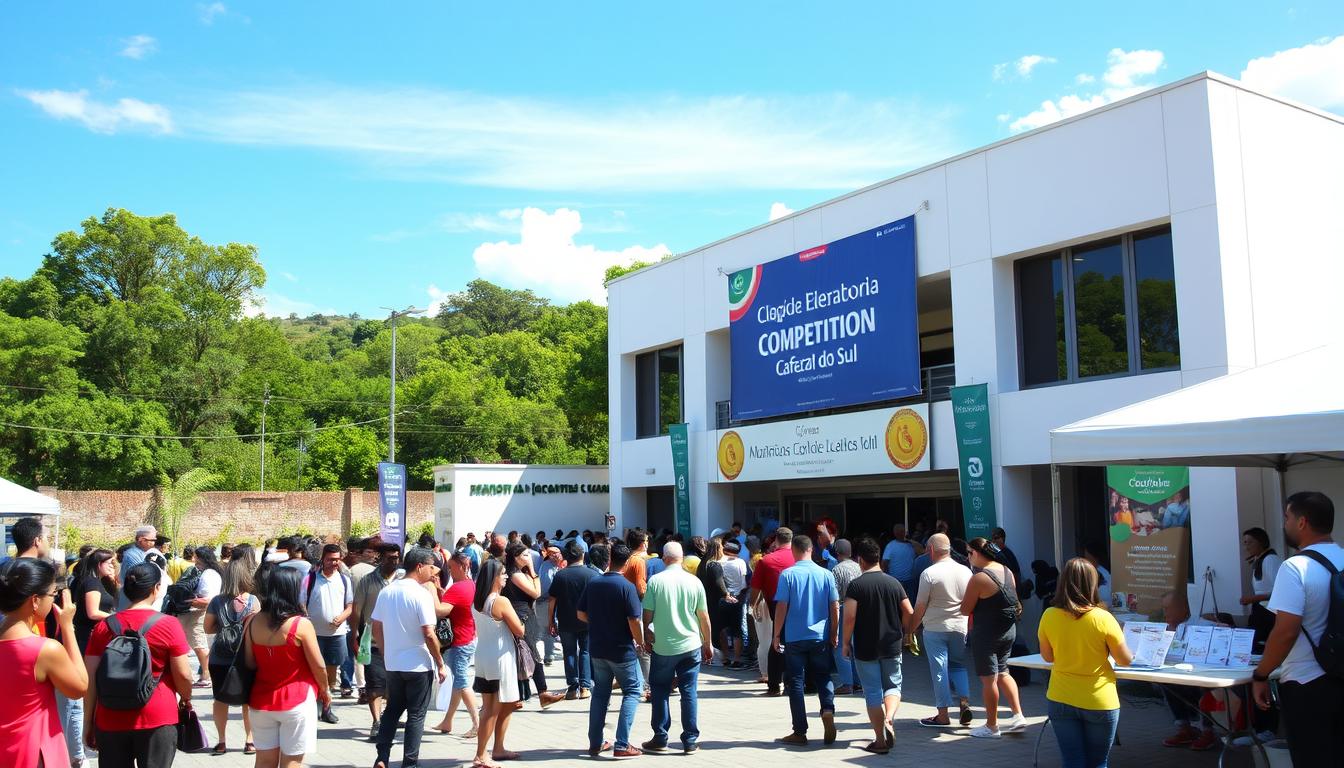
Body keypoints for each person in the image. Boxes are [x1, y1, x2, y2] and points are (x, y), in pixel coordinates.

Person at [1253, 491, 1344, 764]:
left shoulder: (1295, 567)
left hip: (1307, 682)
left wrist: (1261, 674)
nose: (1285, 524)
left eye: (1287, 517)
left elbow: (1286, 631)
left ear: (1302, 522)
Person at [84, 562, 193, 767]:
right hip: (158, 716)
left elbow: (90, 679)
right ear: (156, 588)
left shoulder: (103, 626)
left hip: (110, 716)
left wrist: (88, 721)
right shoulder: (169, 624)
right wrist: (186, 698)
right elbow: (184, 675)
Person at [1038, 558, 1134, 768]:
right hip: (1098, 699)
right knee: (1098, 762)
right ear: (1093, 583)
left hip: (1061, 697)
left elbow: (1047, 657)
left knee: (1072, 761)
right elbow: (1124, 660)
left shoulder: (1048, 615)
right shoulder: (1103, 617)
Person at [0, 557, 88, 767]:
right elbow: (79, 687)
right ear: (35, 600)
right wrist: (67, 627)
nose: (53, 601)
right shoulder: (44, 649)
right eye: (52, 595)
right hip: (33, 752)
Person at [244, 566, 330, 768]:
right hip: (297, 700)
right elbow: (319, 666)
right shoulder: (301, 625)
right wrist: (325, 690)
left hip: (261, 700)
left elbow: (249, 663)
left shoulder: (251, 621)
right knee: (292, 760)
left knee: (264, 760)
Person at [371, 547, 446, 768]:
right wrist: (440, 662)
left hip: (394, 663)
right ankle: (410, 762)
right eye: (432, 567)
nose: (435, 572)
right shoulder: (421, 594)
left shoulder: (388, 590)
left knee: (392, 710)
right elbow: (429, 633)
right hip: (418, 664)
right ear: (420, 566)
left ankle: (382, 757)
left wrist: (386, 652)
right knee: (416, 715)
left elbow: (377, 626)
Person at [642, 541, 712, 755]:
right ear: (681, 559)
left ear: (664, 558)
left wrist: (646, 632)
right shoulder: (694, 582)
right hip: (691, 644)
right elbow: (703, 617)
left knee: (660, 690)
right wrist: (707, 643)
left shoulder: (655, 581)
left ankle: (661, 737)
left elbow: (647, 613)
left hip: (663, 645)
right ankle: (690, 740)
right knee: (689, 692)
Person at [843, 536, 912, 754]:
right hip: (892, 644)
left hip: (866, 647)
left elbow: (850, 617)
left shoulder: (856, 586)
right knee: (893, 686)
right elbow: (909, 611)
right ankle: (890, 719)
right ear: (878, 558)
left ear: (860, 560)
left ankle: (880, 741)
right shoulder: (894, 583)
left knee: (873, 692)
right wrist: (906, 631)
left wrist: (845, 642)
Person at [772, 535, 840, 747]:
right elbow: (835, 605)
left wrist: (776, 634)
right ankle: (827, 709)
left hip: (795, 637)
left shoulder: (787, 575)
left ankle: (800, 731)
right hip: (820, 636)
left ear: (793, 550)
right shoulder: (826, 574)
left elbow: (781, 606)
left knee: (796, 683)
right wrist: (834, 632)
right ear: (812, 549)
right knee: (823, 676)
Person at [578, 542, 645, 758]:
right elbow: (634, 619)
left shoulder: (594, 583)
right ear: (626, 563)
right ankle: (622, 743)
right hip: (621, 649)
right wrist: (640, 641)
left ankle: (595, 742)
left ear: (608, 560)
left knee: (600, 694)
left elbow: (580, 614)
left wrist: (598, 623)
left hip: (598, 648)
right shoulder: (627, 587)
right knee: (633, 691)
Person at [907, 533, 974, 728]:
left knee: (940, 670)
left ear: (931, 550)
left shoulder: (929, 574)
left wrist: (911, 629)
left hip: (935, 628)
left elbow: (920, 606)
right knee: (958, 666)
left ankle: (943, 715)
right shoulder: (965, 571)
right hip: (959, 627)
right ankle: (964, 702)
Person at [960, 537, 1026, 737]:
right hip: (1008, 630)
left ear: (978, 554)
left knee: (989, 680)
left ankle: (991, 726)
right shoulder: (1007, 571)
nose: (968, 557)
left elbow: (965, 609)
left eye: (969, 553)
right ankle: (1018, 715)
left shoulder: (980, 578)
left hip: (986, 634)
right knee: (1004, 672)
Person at [472, 558, 525, 768]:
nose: (505, 577)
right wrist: (522, 623)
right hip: (500, 659)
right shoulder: (500, 601)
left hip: (484, 656)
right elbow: (519, 630)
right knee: (492, 709)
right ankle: (481, 755)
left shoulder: (476, 601)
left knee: (500, 705)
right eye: (503, 573)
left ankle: (498, 748)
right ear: (495, 577)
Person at [203, 556, 258, 755]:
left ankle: (221, 741)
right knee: (247, 701)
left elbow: (207, 629)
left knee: (220, 699)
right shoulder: (253, 601)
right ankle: (249, 740)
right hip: (245, 657)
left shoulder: (217, 601)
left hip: (219, 658)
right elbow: (256, 630)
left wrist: (224, 627)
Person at [1155, 590, 1218, 751]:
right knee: (1165, 681)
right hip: (1179, 676)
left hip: (1202, 676)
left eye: (1168, 608)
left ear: (1183, 608)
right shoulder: (1166, 628)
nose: (1165, 613)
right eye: (1164, 608)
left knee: (1204, 686)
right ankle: (1184, 728)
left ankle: (1207, 731)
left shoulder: (1203, 625)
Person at [500, 542, 561, 706]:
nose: (529, 558)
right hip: (521, 617)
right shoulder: (515, 574)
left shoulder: (519, 572)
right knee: (530, 653)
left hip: (525, 615)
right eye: (525, 555)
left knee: (524, 654)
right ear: (516, 557)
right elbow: (536, 592)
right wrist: (533, 570)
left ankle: (521, 696)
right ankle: (541, 693)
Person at [352, 543, 401, 741]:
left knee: (394, 686)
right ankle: (376, 721)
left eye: (396, 557)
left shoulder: (402, 580)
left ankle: (389, 717)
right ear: (380, 558)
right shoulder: (368, 581)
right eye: (390, 557)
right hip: (373, 642)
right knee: (375, 685)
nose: (394, 561)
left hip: (399, 642)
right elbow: (357, 609)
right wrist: (354, 633)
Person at [432, 550, 479, 738]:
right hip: (468, 637)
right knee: (458, 683)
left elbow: (441, 610)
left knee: (462, 682)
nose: (449, 571)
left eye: (451, 567)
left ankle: (477, 723)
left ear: (461, 566)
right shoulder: (470, 585)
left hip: (460, 641)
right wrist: (440, 591)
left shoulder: (458, 588)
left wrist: (432, 592)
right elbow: (454, 603)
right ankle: (448, 721)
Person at [304, 543, 353, 723]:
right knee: (313, 671)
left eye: (337, 560)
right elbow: (301, 603)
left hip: (336, 635)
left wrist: (341, 618)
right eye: (330, 559)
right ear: (323, 559)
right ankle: (314, 707)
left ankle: (326, 708)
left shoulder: (344, 580)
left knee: (331, 674)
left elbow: (350, 606)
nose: (334, 563)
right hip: (313, 635)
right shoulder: (310, 580)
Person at [748, 526, 796, 696]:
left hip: (776, 608)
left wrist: (752, 605)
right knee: (795, 646)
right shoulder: (799, 558)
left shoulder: (765, 561)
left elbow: (755, 589)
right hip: (800, 607)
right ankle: (794, 683)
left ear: (776, 540)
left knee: (777, 645)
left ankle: (775, 685)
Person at [548, 540, 596, 698]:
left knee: (569, 652)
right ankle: (585, 686)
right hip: (587, 620)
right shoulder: (592, 574)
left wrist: (551, 621)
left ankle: (573, 685)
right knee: (586, 651)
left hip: (565, 620)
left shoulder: (560, 575)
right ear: (583, 554)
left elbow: (552, 601)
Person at [181, 546, 223, 689]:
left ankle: (207, 675)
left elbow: (209, 598)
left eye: (196, 557)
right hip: (199, 612)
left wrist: (191, 601)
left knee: (199, 644)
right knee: (199, 644)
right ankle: (205, 674)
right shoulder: (208, 572)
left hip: (199, 613)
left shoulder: (209, 574)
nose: (194, 560)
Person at [1240, 527, 1281, 648]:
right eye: (1245, 543)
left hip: (1269, 612)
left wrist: (1254, 599)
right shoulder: (1260, 560)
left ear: (1261, 542)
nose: (1247, 547)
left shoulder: (1270, 560)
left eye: (1250, 542)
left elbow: (1279, 590)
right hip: (1260, 610)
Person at [830, 538, 861, 693]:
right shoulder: (859, 567)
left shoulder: (836, 570)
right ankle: (858, 681)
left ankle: (847, 682)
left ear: (837, 552)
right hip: (861, 609)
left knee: (841, 646)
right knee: (857, 645)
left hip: (844, 608)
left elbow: (834, 596)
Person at [696, 537, 727, 664]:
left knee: (707, 629)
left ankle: (707, 656)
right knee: (719, 630)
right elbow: (719, 583)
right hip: (715, 601)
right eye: (721, 547)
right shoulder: (714, 565)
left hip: (704, 599)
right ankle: (720, 658)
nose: (723, 549)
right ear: (717, 549)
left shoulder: (702, 563)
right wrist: (727, 594)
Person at [720, 539, 749, 668]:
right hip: (737, 598)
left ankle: (725, 658)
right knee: (737, 630)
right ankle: (737, 659)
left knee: (724, 629)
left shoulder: (719, 562)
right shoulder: (741, 562)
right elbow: (744, 583)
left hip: (723, 597)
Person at [117, 524, 157, 609]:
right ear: (142, 540)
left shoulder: (142, 553)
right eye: (153, 540)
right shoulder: (132, 555)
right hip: (132, 601)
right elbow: (144, 577)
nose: (154, 543)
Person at [881, 524, 920, 600]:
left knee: (902, 604)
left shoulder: (911, 545)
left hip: (909, 581)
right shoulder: (891, 546)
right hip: (897, 581)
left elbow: (923, 552)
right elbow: (884, 563)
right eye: (902, 531)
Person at [1081, 542, 1111, 609]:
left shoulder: (1103, 574)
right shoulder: (1101, 571)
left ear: (1095, 557)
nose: (1085, 560)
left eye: (1087, 557)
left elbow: (1105, 597)